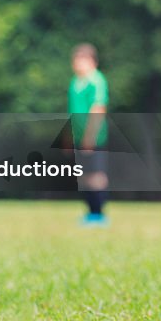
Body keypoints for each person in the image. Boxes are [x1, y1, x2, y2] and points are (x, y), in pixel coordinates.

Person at [68, 43, 110, 226]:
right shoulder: (75, 83)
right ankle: (90, 212)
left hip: (94, 138)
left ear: (92, 61)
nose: (77, 64)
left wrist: (90, 136)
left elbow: (98, 108)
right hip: (78, 137)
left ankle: (99, 213)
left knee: (96, 175)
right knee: (83, 175)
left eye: (81, 60)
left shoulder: (96, 81)